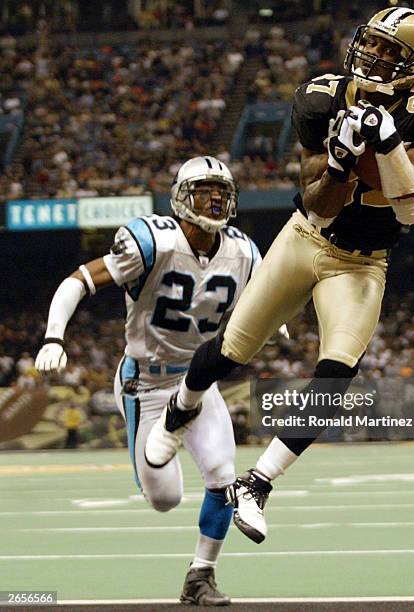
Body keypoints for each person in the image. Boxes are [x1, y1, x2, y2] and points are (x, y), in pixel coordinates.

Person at [144, 7, 414, 545]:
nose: (376, 57)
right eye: (374, 44)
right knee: (231, 351)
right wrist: (341, 160)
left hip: (363, 261)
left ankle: (260, 481)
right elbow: (318, 205)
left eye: (392, 51)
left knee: (337, 374)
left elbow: (413, 210)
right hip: (306, 238)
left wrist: (387, 148)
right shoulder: (321, 96)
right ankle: (182, 406)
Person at [35, 156, 262, 605]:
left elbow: (263, 293)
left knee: (223, 478)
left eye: (222, 191)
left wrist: (272, 318)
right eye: (204, 189)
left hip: (198, 381)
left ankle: (201, 576)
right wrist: (54, 335)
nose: (216, 198)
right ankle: (148, 444)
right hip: (146, 384)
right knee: (165, 499)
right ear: (181, 198)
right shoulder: (152, 241)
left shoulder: (243, 250)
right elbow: (79, 280)